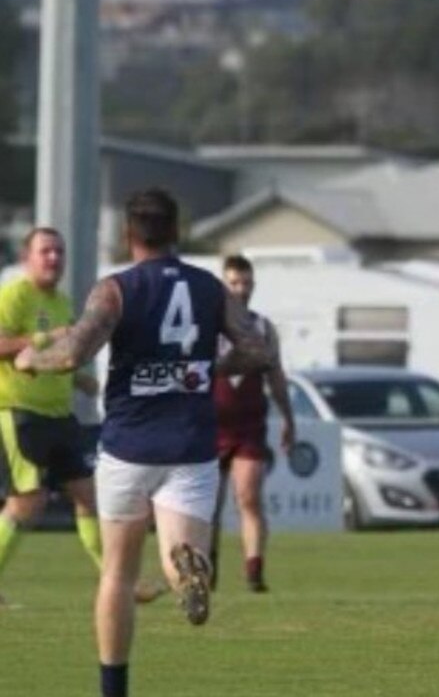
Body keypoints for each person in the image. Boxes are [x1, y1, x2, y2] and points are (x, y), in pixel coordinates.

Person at [15, 188, 272, 697]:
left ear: (128, 235)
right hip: (192, 447)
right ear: (176, 232)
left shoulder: (114, 290)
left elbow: (73, 354)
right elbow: (256, 349)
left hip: (128, 446)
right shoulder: (210, 289)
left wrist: (29, 360)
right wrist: (210, 366)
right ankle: (186, 569)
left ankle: (114, 689)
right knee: (181, 549)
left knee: (117, 573)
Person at [0, 228, 162, 605]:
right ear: (28, 257)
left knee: (88, 497)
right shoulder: (13, 296)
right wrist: (41, 339)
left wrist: (82, 380)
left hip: (59, 417)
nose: (54, 258)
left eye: (59, 251)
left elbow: (62, 353)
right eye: (45, 251)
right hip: (19, 414)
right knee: (28, 503)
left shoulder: (62, 302)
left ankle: (121, 581)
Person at [212, 255, 296, 593]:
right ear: (224, 285)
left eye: (246, 283)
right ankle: (208, 567)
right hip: (210, 426)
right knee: (208, 506)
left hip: (249, 425)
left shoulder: (263, 328)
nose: (241, 290)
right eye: (234, 283)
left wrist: (288, 417)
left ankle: (254, 571)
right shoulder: (209, 327)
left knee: (248, 497)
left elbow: (276, 377)